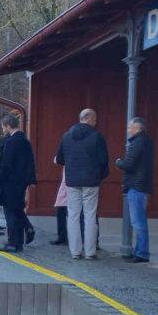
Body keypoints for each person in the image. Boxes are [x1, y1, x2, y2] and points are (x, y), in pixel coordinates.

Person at [56, 108, 108, 260]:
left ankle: (75, 251)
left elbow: (60, 158)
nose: (96, 122)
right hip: (91, 181)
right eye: (95, 119)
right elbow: (103, 160)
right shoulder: (97, 137)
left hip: (72, 181)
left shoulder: (66, 136)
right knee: (90, 214)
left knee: (73, 214)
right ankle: (90, 251)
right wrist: (100, 175)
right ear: (90, 119)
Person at [115, 117, 155, 263]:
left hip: (136, 186)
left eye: (130, 127)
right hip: (142, 185)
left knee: (138, 222)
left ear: (137, 129)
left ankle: (142, 253)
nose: (128, 130)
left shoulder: (137, 143)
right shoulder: (147, 142)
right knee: (139, 221)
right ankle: (140, 251)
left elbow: (129, 164)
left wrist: (118, 162)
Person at [0, 115, 36, 252]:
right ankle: (18, 242)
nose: (3, 129)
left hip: (10, 182)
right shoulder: (24, 140)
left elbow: (7, 164)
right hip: (21, 182)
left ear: (7, 126)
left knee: (10, 212)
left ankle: (13, 242)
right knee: (18, 209)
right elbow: (29, 162)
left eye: (3, 126)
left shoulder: (11, 142)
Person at [49, 160, 68, 245]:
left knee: (60, 208)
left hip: (68, 179)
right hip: (84, 179)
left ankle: (62, 236)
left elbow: (57, 159)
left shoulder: (66, 146)